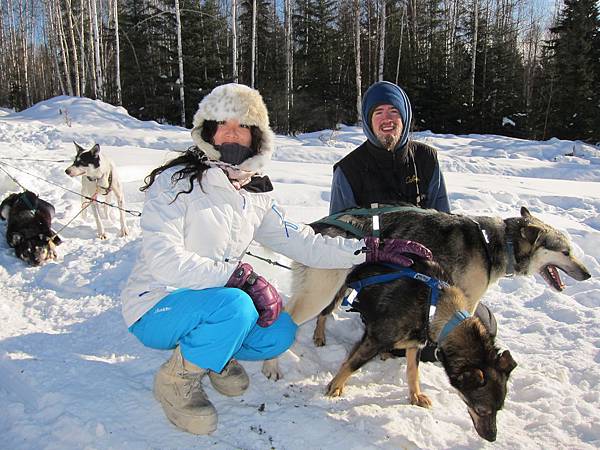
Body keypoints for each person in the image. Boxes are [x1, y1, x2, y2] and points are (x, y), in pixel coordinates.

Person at [121, 83, 432, 435]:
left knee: (281, 332)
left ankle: (214, 354)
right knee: (236, 305)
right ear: (209, 131)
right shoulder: (177, 184)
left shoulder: (253, 193)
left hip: (216, 300)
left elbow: (304, 242)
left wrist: (368, 250)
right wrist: (240, 277)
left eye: (243, 126)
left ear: (256, 137)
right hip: (157, 304)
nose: (233, 134)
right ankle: (176, 381)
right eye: (224, 125)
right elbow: (163, 261)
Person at [329, 81, 497, 361]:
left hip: (429, 270)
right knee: (407, 339)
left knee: (483, 327)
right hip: (380, 275)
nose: (387, 119)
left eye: (394, 111)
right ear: (369, 121)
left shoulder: (426, 159)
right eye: (378, 112)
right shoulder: (349, 170)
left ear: (405, 118)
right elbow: (339, 234)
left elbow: (447, 224)